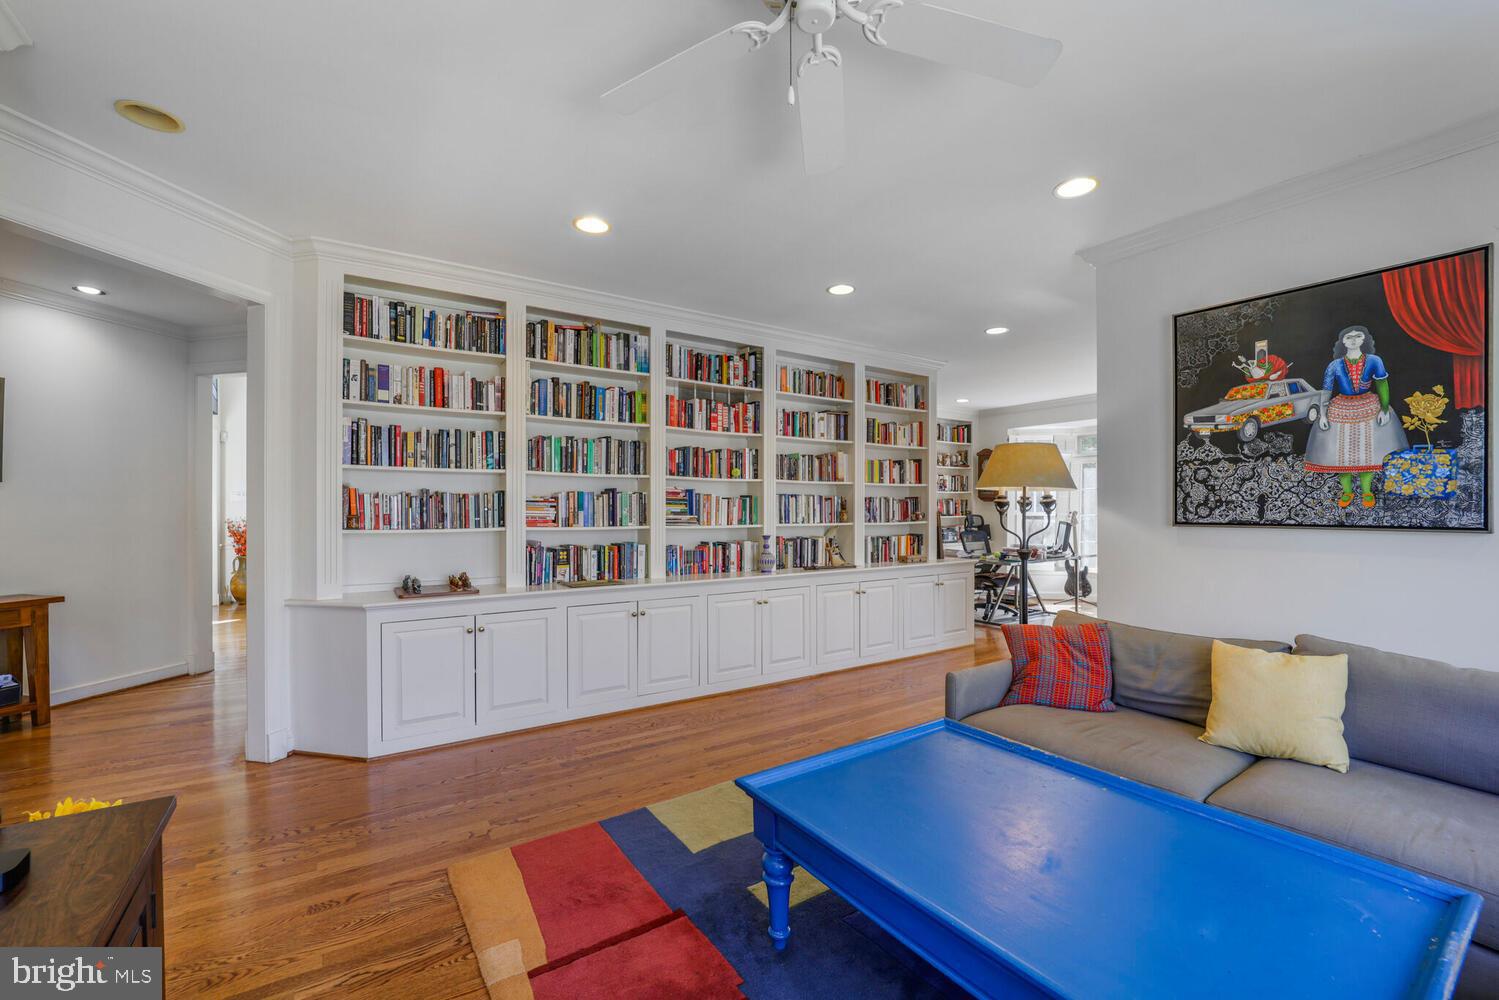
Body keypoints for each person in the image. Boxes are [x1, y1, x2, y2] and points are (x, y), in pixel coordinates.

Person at [1304, 325, 1408, 508]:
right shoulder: (1334, 365)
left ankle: (1367, 492)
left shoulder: (1375, 360)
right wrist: (1323, 414)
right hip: (1340, 408)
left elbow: (1382, 385)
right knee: (1341, 458)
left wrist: (1384, 409)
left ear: (1364, 340)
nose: (1353, 339)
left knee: (1367, 456)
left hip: (1368, 406)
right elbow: (1326, 390)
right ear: (1342, 342)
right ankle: (1347, 492)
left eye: (1357, 336)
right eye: (1348, 337)